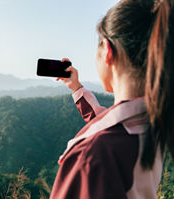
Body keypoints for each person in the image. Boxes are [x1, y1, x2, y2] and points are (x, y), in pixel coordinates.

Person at [50, 0, 174, 198]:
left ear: (107, 51)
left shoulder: (92, 157)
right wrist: (76, 87)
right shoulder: (155, 123)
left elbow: (107, 132)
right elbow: (111, 122)